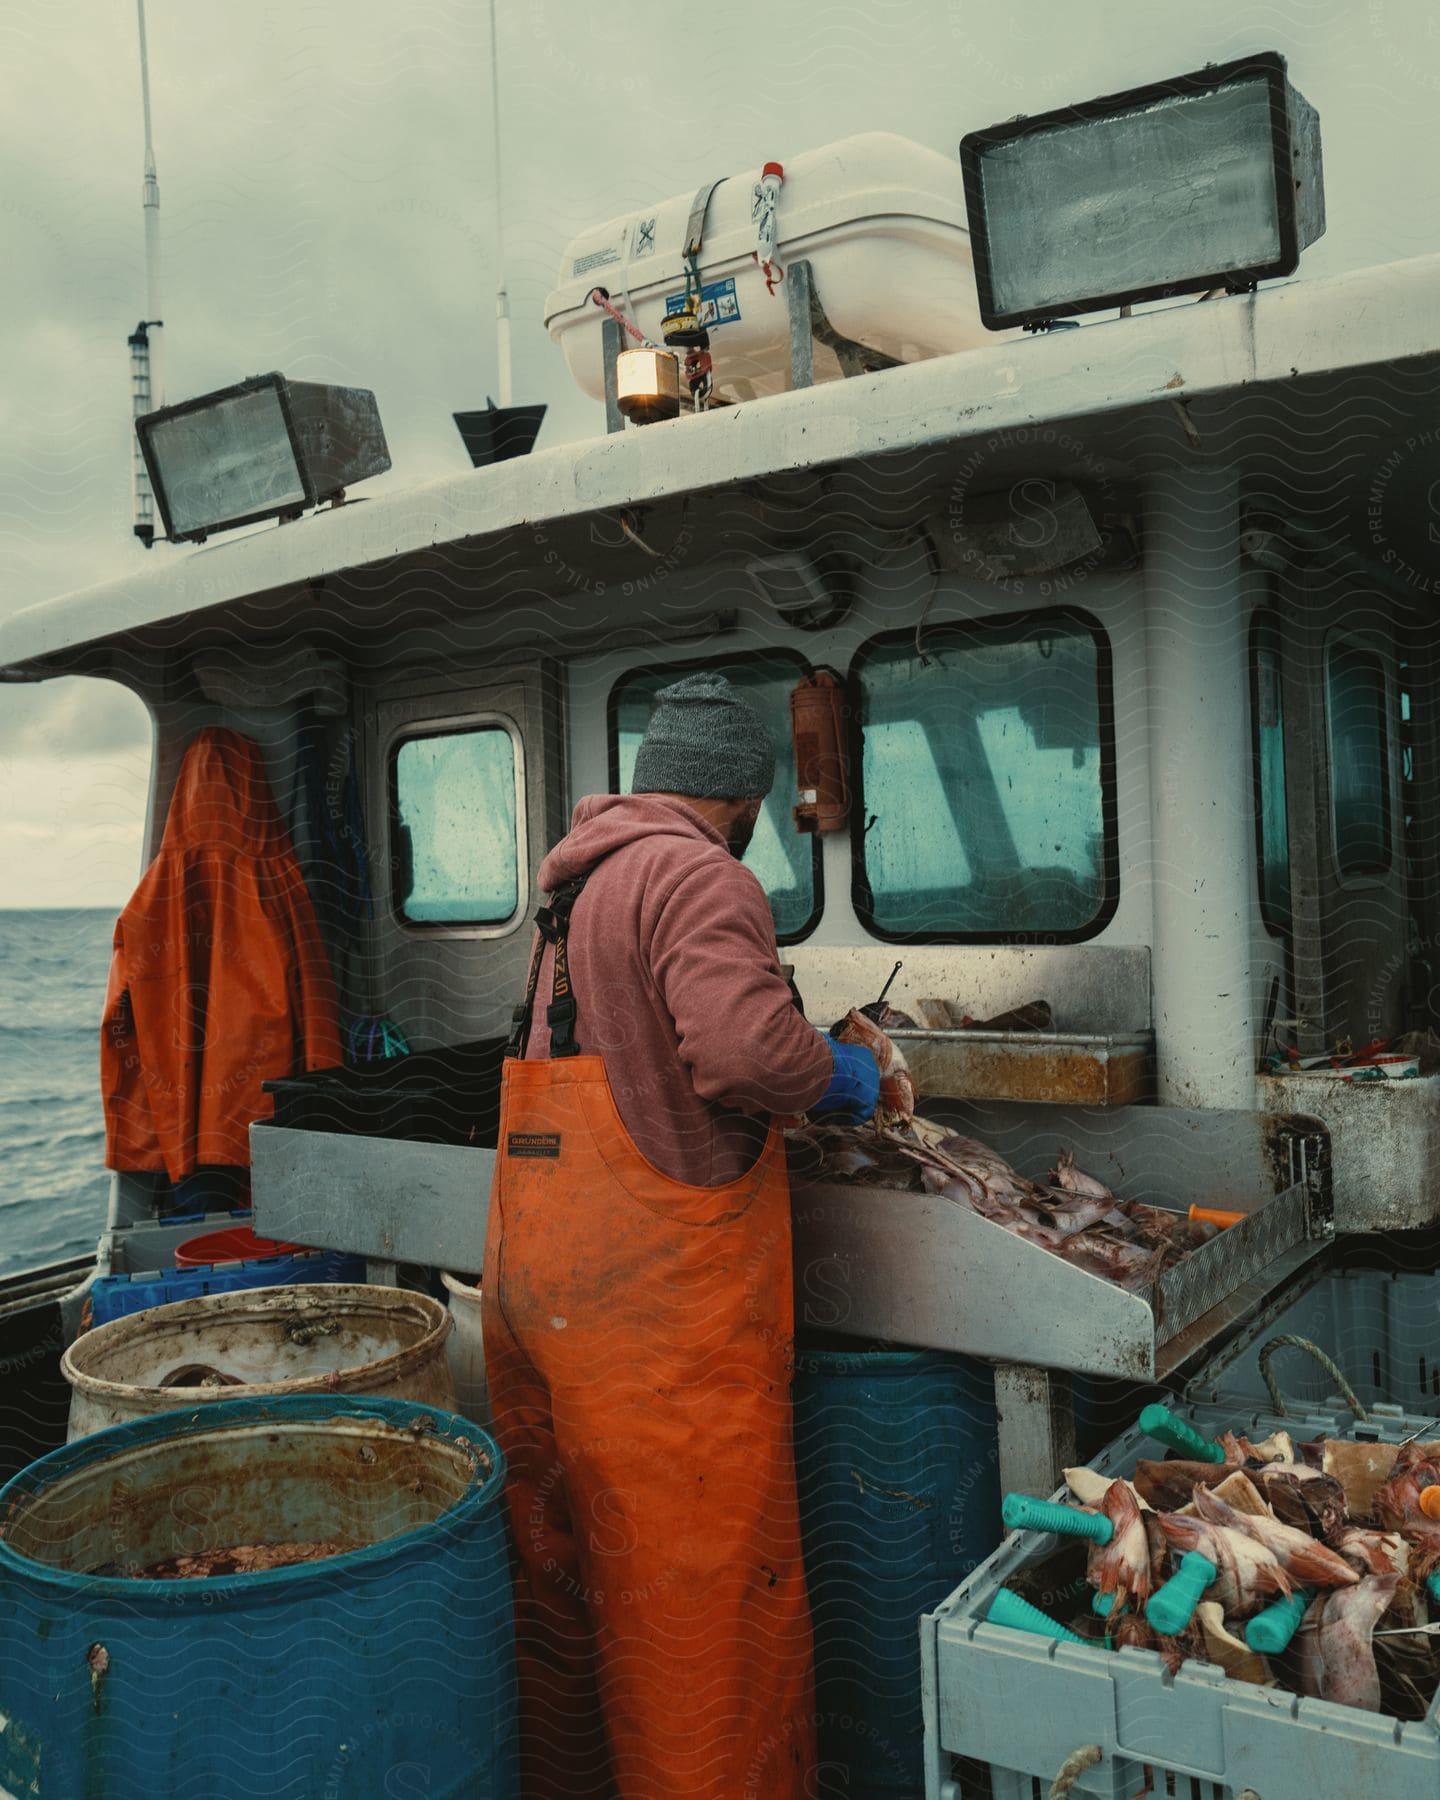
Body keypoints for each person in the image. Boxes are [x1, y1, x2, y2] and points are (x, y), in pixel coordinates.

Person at [481, 672, 880, 1799]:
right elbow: (747, 1056)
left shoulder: (578, 884)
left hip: (541, 1293)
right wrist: (845, 1074)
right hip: (657, 1329)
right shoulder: (704, 875)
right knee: (698, 1626)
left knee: (567, 1600)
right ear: (741, 799)